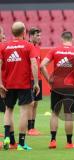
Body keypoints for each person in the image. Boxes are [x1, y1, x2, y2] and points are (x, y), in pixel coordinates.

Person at [0, 21, 40, 151]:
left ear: (12, 32)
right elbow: (34, 64)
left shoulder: (4, 46)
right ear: (24, 32)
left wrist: (0, 83)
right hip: (23, 84)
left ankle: (8, 138)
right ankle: (21, 144)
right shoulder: (28, 46)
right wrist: (35, 83)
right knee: (24, 111)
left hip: (8, 84)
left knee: (9, 109)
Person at [40, 31, 74, 149]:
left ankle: (53, 141)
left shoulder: (55, 50)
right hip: (69, 87)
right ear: (72, 39)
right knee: (68, 114)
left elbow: (42, 65)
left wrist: (49, 79)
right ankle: (69, 143)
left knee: (55, 113)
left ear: (61, 38)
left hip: (56, 86)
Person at [27, 27, 43, 136]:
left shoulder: (37, 48)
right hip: (29, 79)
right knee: (30, 103)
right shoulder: (27, 47)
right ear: (31, 36)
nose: (39, 37)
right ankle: (29, 128)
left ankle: (33, 127)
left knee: (36, 104)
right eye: (37, 35)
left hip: (38, 79)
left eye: (40, 35)